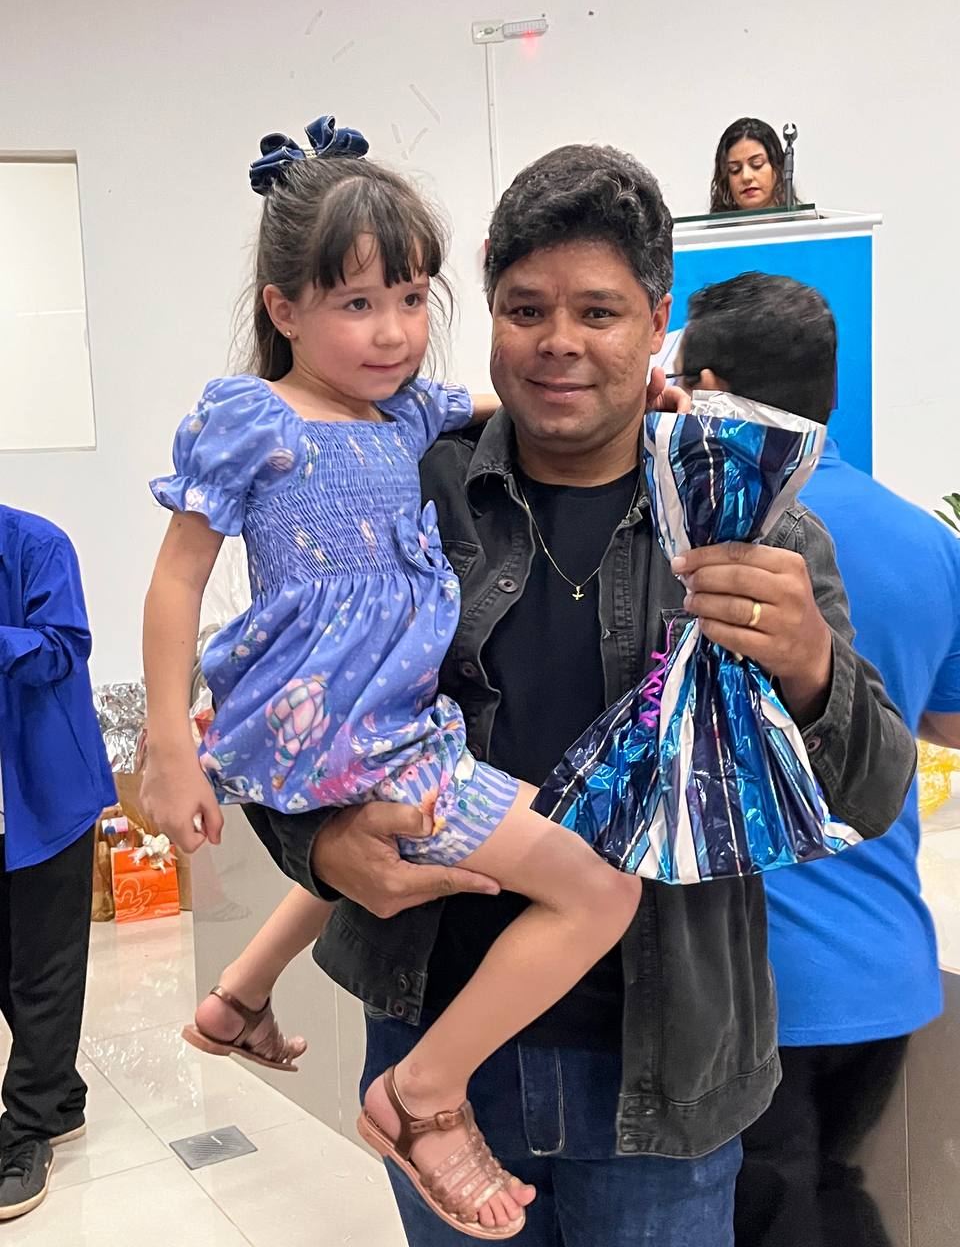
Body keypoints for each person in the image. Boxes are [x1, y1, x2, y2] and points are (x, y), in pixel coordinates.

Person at [254, 144, 916, 1246]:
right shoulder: (412, 493)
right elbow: (281, 709)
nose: (559, 340)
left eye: (599, 311)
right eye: (527, 308)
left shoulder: (750, 525)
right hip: (435, 1051)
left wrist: (810, 663)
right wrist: (318, 845)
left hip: (665, 1079)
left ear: (656, 321)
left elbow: (876, 789)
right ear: (491, 312)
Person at [141, 121, 679, 1240]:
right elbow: (176, 579)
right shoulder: (253, 419)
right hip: (346, 729)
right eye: (356, 303)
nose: (392, 331)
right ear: (284, 309)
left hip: (381, 726)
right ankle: (424, 1092)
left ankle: (239, 996)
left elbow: (494, 406)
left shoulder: (406, 414)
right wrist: (169, 744)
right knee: (601, 888)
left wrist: (656, 400)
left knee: (403, 853)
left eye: (411, 297)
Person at [676, 271, 960, 1247]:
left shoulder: (715, 539)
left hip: (758, 980)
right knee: (828, 1193)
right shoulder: (927, 540)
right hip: (887, 966)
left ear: (708, 388)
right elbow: (947, 723)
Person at [0, 505, 116, 1221]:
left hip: (46, 794)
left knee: (43, 970)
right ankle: (61, 1097)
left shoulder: (37, 545)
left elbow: (65, 647)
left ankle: (27, 1132)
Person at [710, 118, 791, 213]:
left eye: (757, 164)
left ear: (778, 167)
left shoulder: (803, 222)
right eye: (735, 169)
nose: (746, 177)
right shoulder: (716, 224)